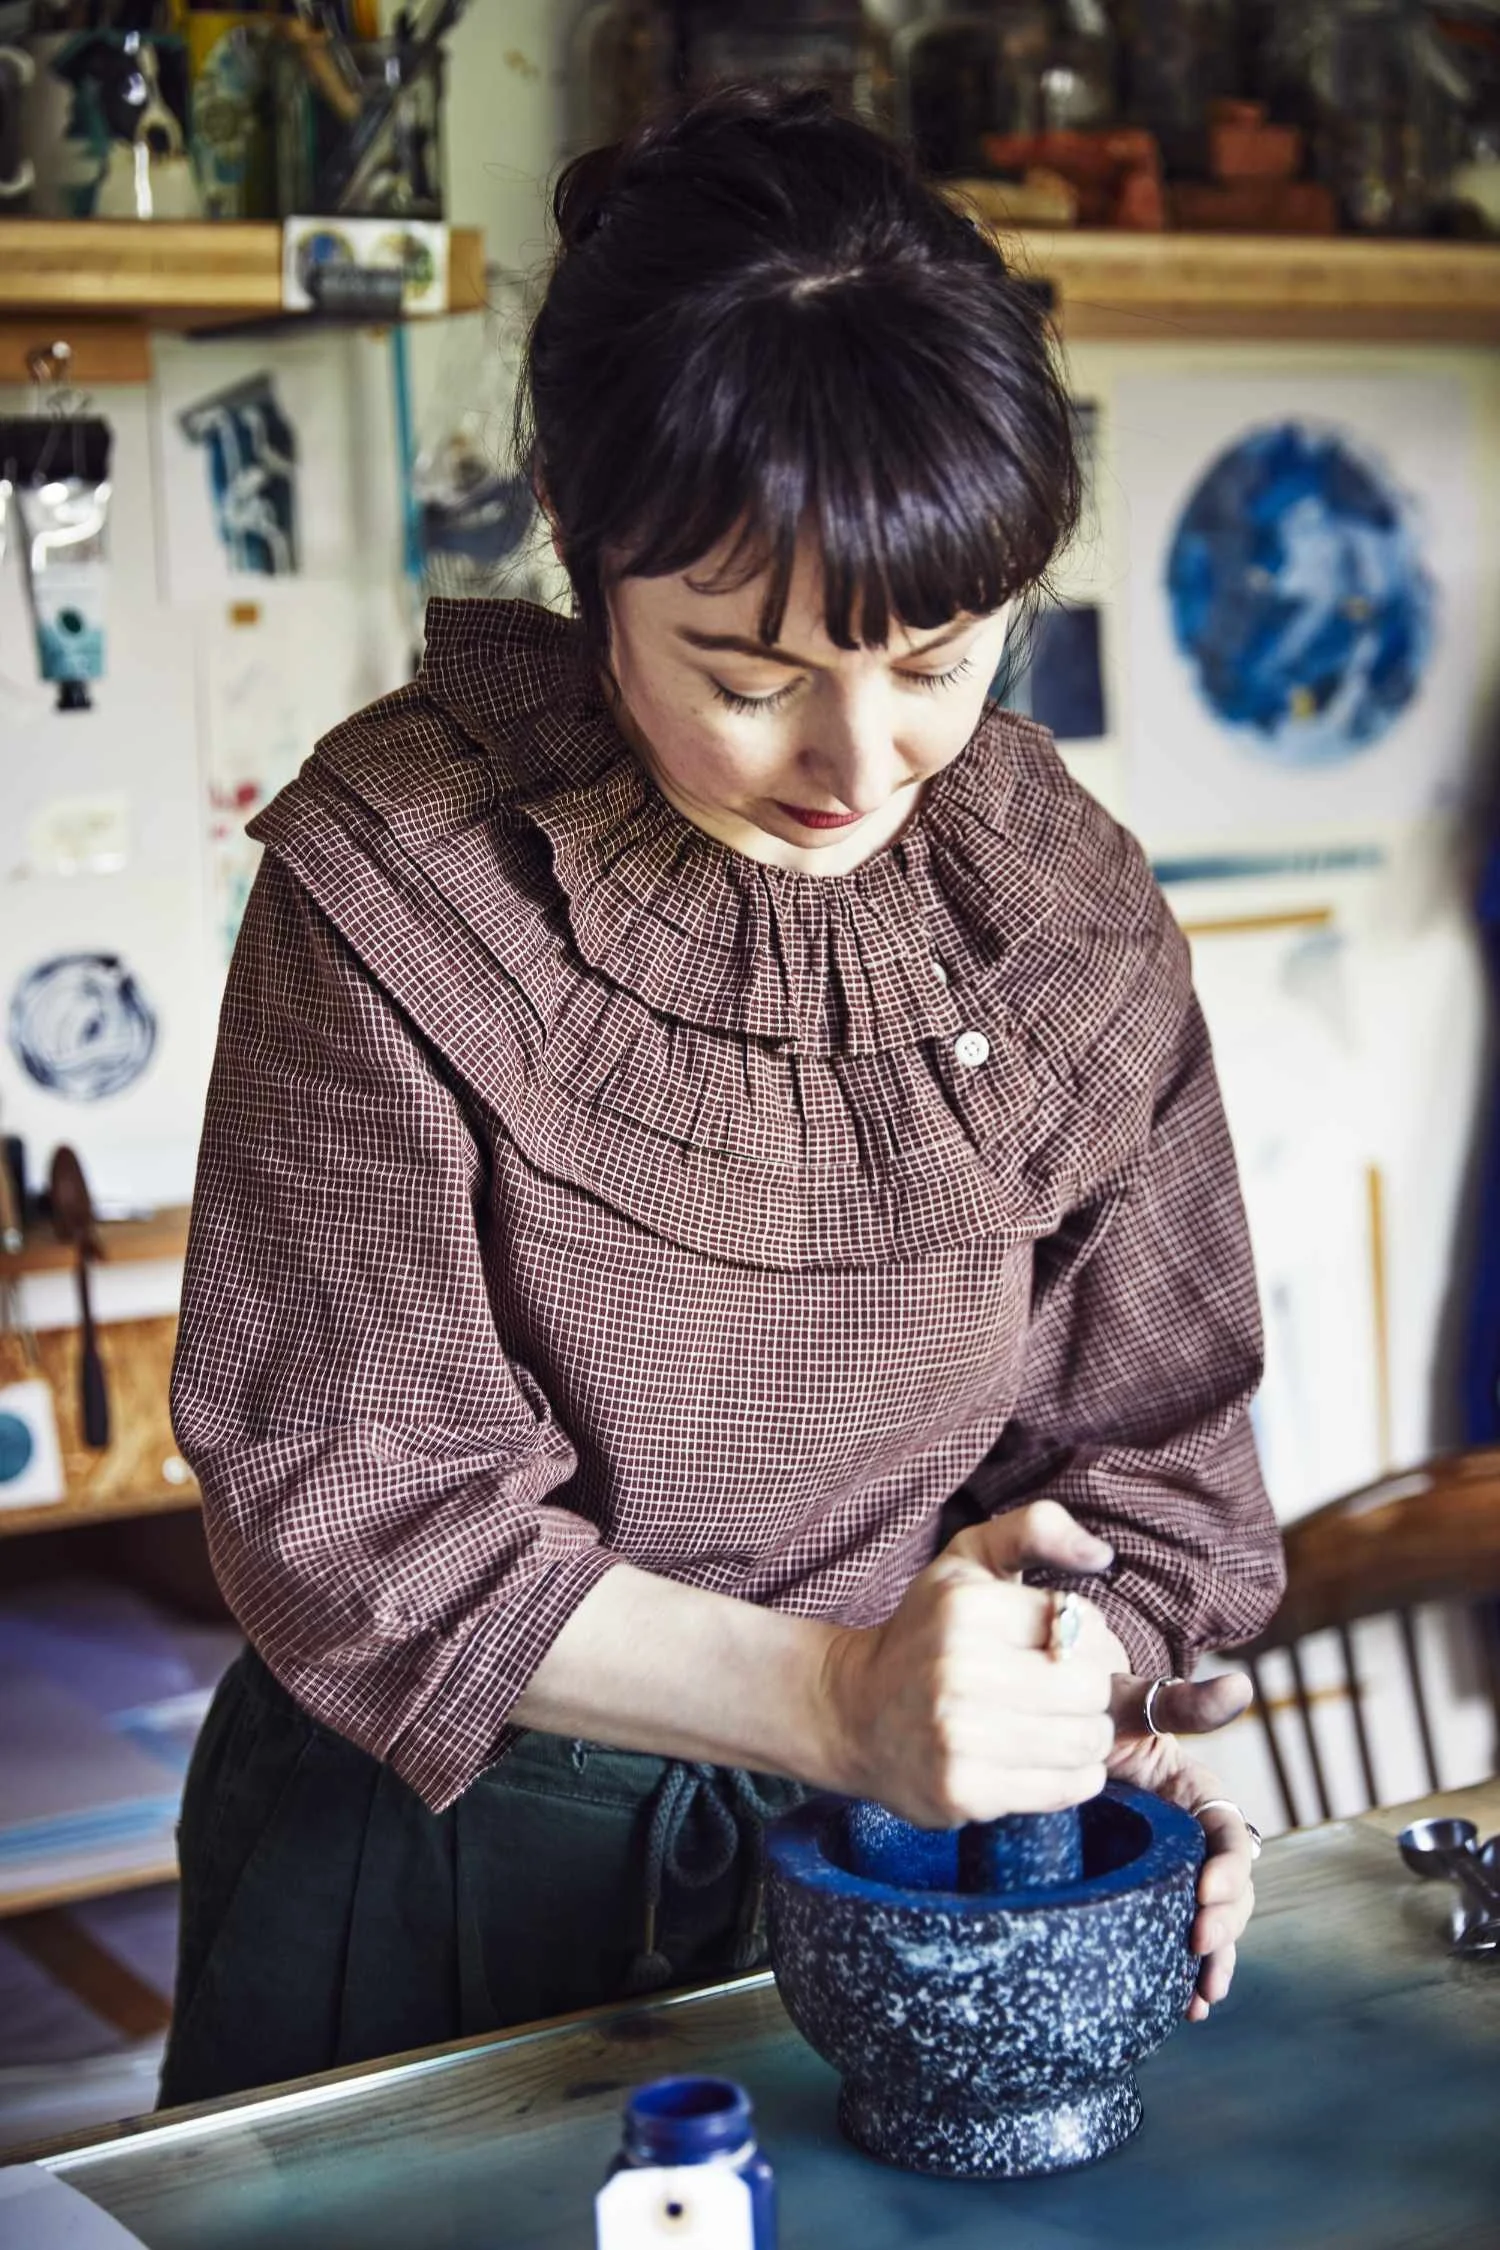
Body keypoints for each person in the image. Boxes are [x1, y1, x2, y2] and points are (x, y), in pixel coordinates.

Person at [161, 85, 1285, 2108]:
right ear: (594, 563)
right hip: (437, 1874)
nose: (857, 761)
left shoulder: (1057, 902)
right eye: (750, 673)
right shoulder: (402, 873)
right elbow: (359, 1514)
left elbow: (1154, 1466)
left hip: (892, 1866)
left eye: (935, 654)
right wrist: (844, 1698)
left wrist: (1077, 1714)